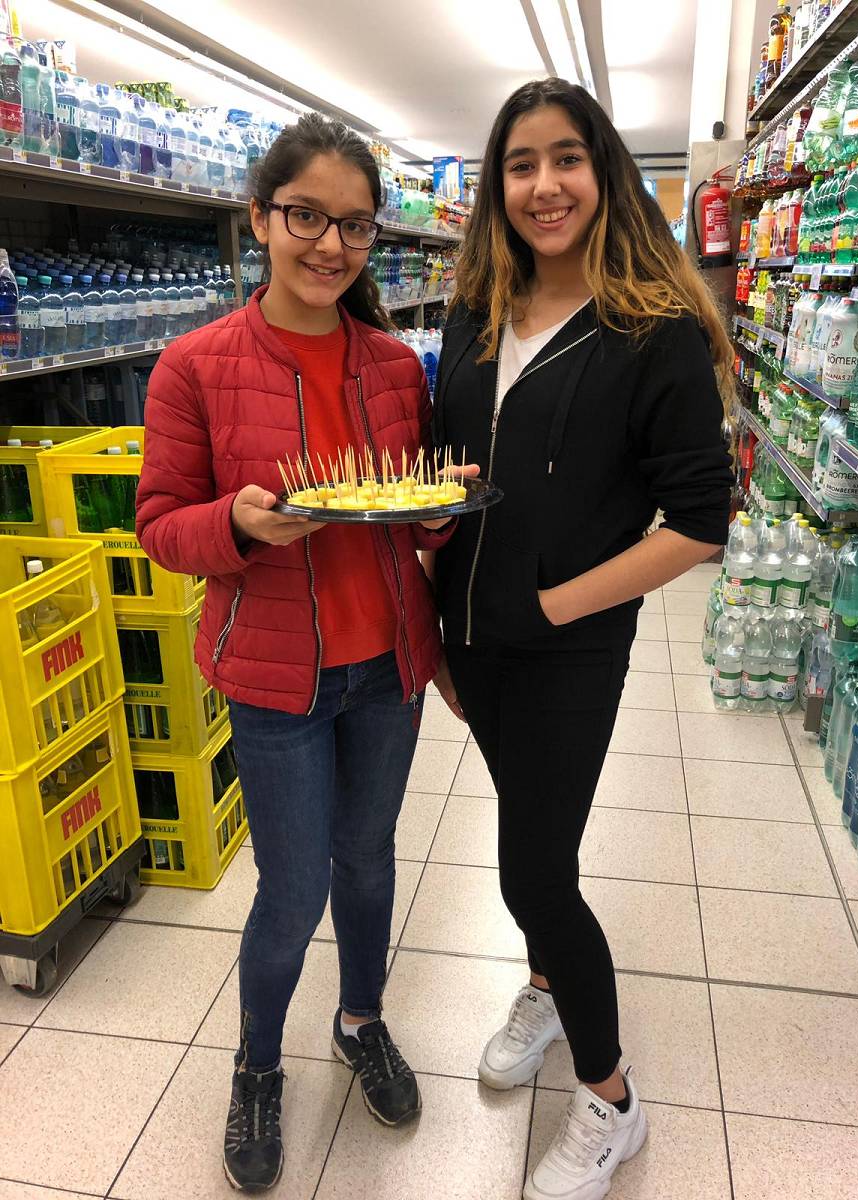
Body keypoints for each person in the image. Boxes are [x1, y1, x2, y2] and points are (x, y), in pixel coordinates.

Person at [135, 112, 455, 1194]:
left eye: (355, 226)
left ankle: (360, 1021)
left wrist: (440, 517)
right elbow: (160, 525)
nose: (331, 245)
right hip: (276, 678)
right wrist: (236, 524)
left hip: (387, 670)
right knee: (289, 889)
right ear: (261, 218)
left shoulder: (395, 366)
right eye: (307, 217)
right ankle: (258, 1064)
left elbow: (412, 516)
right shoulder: (194, 366)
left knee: (368, 863)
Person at [426, 79, 734, 1200]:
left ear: (603, 171)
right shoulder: (473, 314)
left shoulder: (653, 331)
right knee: (528, 832)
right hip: (471, 642)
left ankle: (612, 1100)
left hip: (568, 650)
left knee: (534, 873)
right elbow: (451, 477)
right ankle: (549, 990)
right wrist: (438, 612)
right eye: (521, 164)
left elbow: (699, 523)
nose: (544, 185)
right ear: (496, 186)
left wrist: (554, 606)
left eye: (566, 158)